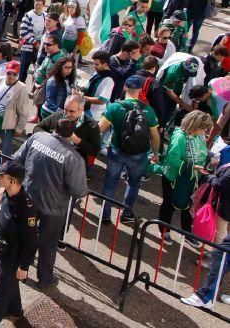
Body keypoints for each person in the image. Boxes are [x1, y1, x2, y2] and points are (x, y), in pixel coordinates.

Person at [14, 118, 87, 289]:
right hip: (53, 207)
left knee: (23, 234)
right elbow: (79, 190)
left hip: (29, 197)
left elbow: (18, 158)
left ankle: (17, 267)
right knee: (48, 243)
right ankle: (45, 278)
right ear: (72, 134)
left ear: (55, 128)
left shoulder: (38, 137)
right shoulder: (73, 158)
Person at [0, 160, 39, 328]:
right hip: (3, 250)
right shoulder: (7, 193)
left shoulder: (27, 207)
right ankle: (14, 309)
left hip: (14, 255)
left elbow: (31, 240)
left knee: (0, 292)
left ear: (12, 181)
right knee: (8, 284)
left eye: (1, 176)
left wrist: (24, 266)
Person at [98, 75, 160, 224]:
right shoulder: (148, 111)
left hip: (116, 151)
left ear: (125, 87)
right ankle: (126, 214)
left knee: (110, 184)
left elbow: (99, 129)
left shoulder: (114, 107)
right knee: (133, 184)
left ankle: (105, 216)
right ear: (139, 90)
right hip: (139, 154)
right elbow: (155, 137)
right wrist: (155, 154)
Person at [152, 110, 209, 241]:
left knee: (189, 205)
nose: (205, 132)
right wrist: (192, 166)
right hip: (174, 178)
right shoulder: (180, 137)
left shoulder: (198, 136)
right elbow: (172, 159)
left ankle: (186, 232)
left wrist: (210, 157)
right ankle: (164, 230)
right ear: (195, 126)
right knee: (169, 204)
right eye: (203, 129)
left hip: (191, 179)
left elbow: (201, 152)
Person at [180, 160, 230, 309]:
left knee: (220, 253)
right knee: (221, 253)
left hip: (224, 209)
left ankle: (205, 297)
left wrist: (210, 177)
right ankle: (205, 296)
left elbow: (222, 183)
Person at [34, 94, 101, 171]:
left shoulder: (92, 126)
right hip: (50, 161)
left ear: (81, 109)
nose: (67, 114)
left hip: (72, 167)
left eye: (71, 111)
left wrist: (77, 140)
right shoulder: (57, 116)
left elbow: (95, 151)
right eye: (65, 109)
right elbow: (37, 128)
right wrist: (50, 138)